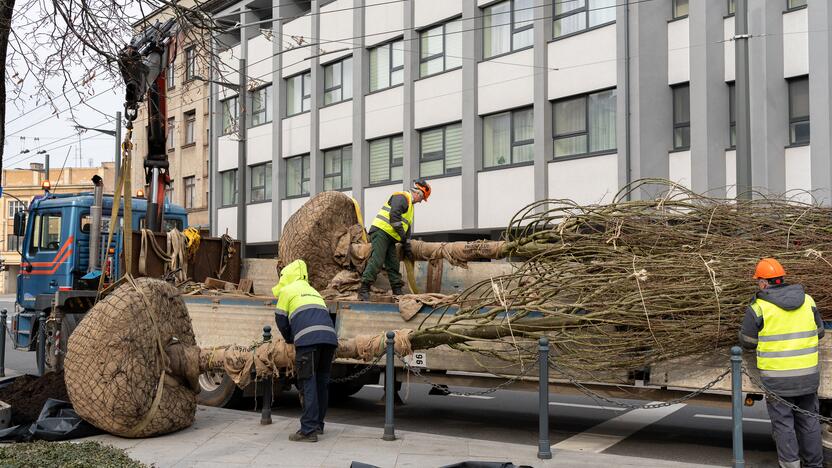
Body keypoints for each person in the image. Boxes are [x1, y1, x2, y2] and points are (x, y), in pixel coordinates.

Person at [739, 258, 824, 468]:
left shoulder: (758, 307)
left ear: (763, 283)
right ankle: (814, 465)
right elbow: (820, 332)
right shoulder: (808, 300)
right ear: (782, 278)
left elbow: (748, 342)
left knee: (784, 423)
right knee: (809, 421)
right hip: (808, 376)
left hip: (778, 379)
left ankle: (790, 466)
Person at [272, 259, 338, 442]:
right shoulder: (313, 291)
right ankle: (318, 425)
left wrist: (290, 339)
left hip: (308, 342)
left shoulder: (286, 291)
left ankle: (308, 430)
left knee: (308, 382)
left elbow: (281, 319)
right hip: (329, 339)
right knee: (321, 383)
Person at [357, 178, 431, 301]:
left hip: (390, 236)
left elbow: (406, 228)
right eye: (422, 199)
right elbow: (394, 218)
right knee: (377, 260)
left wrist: (407, 246)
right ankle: (364, 289)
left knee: (393, 264)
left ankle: (397, 291)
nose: (421, 202)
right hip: (381, 231)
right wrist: (402, 238)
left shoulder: (410, 206)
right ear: (418, 193)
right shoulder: (401, 197)